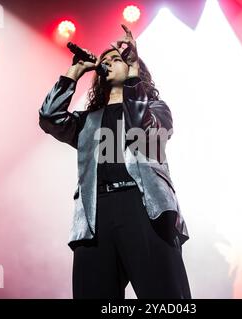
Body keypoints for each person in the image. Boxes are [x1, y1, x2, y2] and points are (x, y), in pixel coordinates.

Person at [39, 24, 191, 299]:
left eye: (116, 59)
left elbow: (141, 129)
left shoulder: (156, 109)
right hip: (95, 215)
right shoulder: (87, 121)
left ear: (134, 67)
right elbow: (49, 117)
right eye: (104, 61)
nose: (107, 63)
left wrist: (132, 77)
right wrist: (74, 72)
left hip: (145, 208)